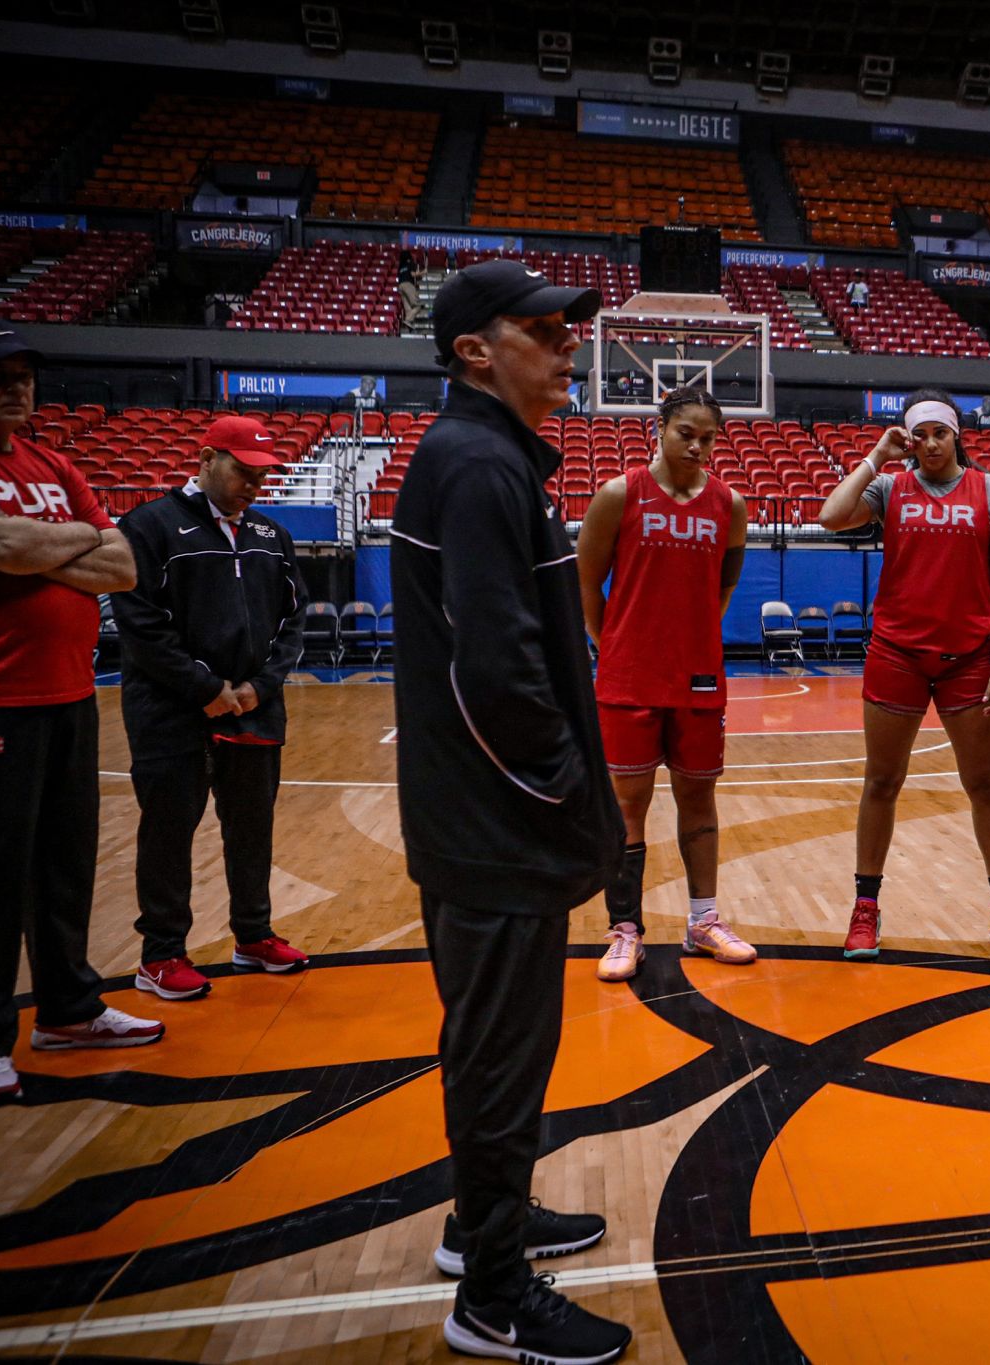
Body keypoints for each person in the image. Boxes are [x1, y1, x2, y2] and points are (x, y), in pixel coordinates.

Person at [391, 260, 631, 1362]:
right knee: (498, 1058)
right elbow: (497, 675)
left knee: (494, 1051)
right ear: (474, 351)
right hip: (495, 829)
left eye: (569, 328)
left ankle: (477, 1220)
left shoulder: (483, 459)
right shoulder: (477, 465)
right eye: (544, 328)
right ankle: (490, 1295)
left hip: (485, 824)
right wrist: (568, 794)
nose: (568, 343)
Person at [0, 315, 164, 1107]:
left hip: (70, 693)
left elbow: (124, 566)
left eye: (25, 372)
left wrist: (34, 541)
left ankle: (67, 1009)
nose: (17, 385)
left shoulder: (49, 460)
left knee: (63, 868)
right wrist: (61, 540)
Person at [817, 387, 990, 959]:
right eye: (920, 434)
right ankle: (866, 908)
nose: (931, 443)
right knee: (882, 783)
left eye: (940, 432)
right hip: (897, 654)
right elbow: (830, 516)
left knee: (984, 785)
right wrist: (876, 456)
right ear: (908, 439)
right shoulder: (890, 487)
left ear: (957, 434)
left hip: (968, 657)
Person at [112, 415, 311, 1002]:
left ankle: (253, 937)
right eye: (243, 472)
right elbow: (140, 625)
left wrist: (260, 685)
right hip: (171, 711)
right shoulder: (148, 526)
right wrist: (205, 688)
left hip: (253, 708)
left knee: (252, 829)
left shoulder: (272, 535)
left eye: (261, 475)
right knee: (169, 832)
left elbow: (293, 619)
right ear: (205, 459)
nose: (254, 485)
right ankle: (160, 954)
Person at [576, 386, 754, 981]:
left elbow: (723, 587)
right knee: (627, 807)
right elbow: (584, 584)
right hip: (628, 677)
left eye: (708, 437)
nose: (699, 446)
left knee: (699, 801)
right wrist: (614, 644)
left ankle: (703, 920)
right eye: (687, 434)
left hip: (699, 677)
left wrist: (692, 634)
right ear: (660, 429)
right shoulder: (619, 494)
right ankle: (624, 929)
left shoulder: (729, 505)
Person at [398, 250, 425, 328]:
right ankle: (408, 321)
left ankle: (408, 323)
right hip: (408, 285)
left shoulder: (401, 266)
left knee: (408, 308)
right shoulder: (411, 264)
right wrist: (423, 272)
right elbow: (413, 275)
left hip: (400, 286)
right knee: (418, 306)